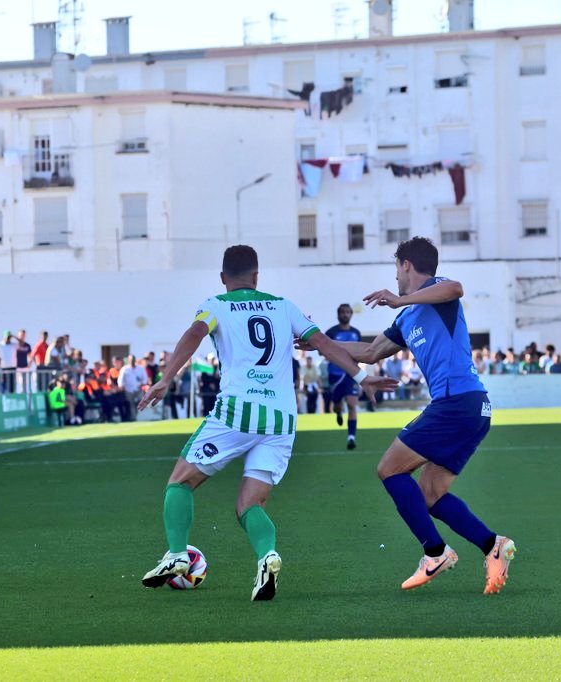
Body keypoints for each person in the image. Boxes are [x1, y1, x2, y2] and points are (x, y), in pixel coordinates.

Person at [137, 245, 397, 601]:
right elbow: (321, 343)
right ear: (257, 277)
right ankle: (267, 556)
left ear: (223, 278)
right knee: (250, 505)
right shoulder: (283, 306)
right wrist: (360, 375)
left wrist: (166, 377)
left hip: (238, 411)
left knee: (179, 483)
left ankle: (178, 555)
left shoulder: (215, 304)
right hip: (281, 421)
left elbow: (195, 334)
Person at [320, 237, 514, 594]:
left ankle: (435, 553)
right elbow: (369, 351)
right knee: (430, 496)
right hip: (469, 407)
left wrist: (401, 298)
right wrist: (318, 341)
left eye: (396, 268)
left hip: (458, 402)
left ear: (406, 265)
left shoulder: (438, 292)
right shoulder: (407, 315)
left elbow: (455, 287)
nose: (395, 277)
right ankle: (493, 546)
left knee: (389, 469)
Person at [325, 303, 363, 450]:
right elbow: (323, 350)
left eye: (348, 312)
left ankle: (351, 436)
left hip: (351, 373)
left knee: (352, 404)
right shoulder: (331, 332)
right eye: (343, 312)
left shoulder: (356, 333)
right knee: (336, 404)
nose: (345, 314)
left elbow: (360, 351)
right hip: (335, 373)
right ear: (338, 314)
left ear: (351, 314)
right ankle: (338, 412)